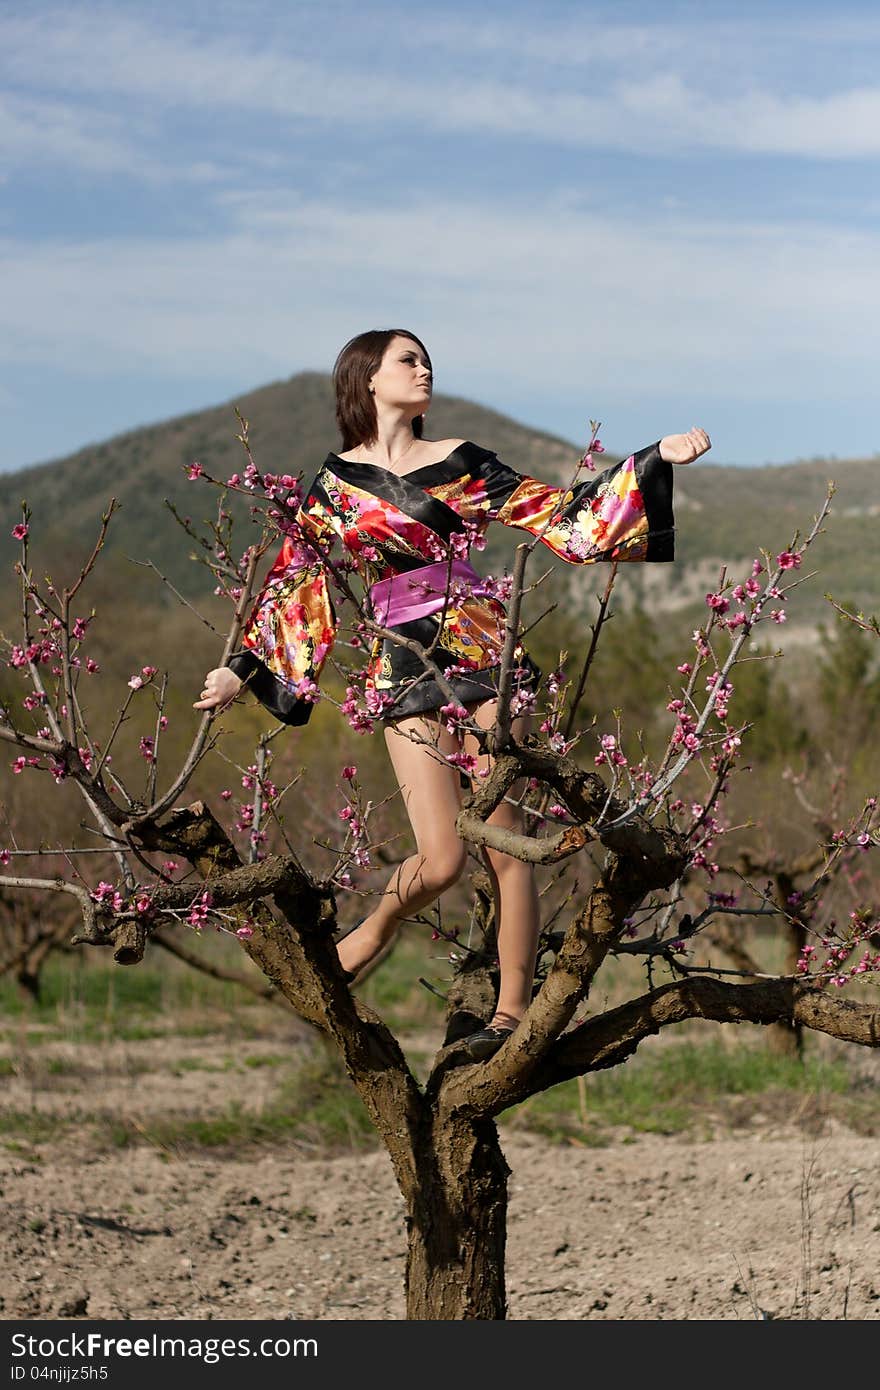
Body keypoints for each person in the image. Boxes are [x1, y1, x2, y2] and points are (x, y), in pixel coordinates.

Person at [195, 328, 711, 1059]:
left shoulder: (462, 461)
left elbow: (557, 512)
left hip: (478, 647)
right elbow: (297, 581)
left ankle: (509, 1014)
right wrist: (242, 670)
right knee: (440, 860)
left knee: (509, 846)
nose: (424, 367)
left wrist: (656, 460)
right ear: (368, 378)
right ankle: (367, 936)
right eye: (408, 358)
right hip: (397, 662)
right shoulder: (334, 483)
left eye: (426, 357)